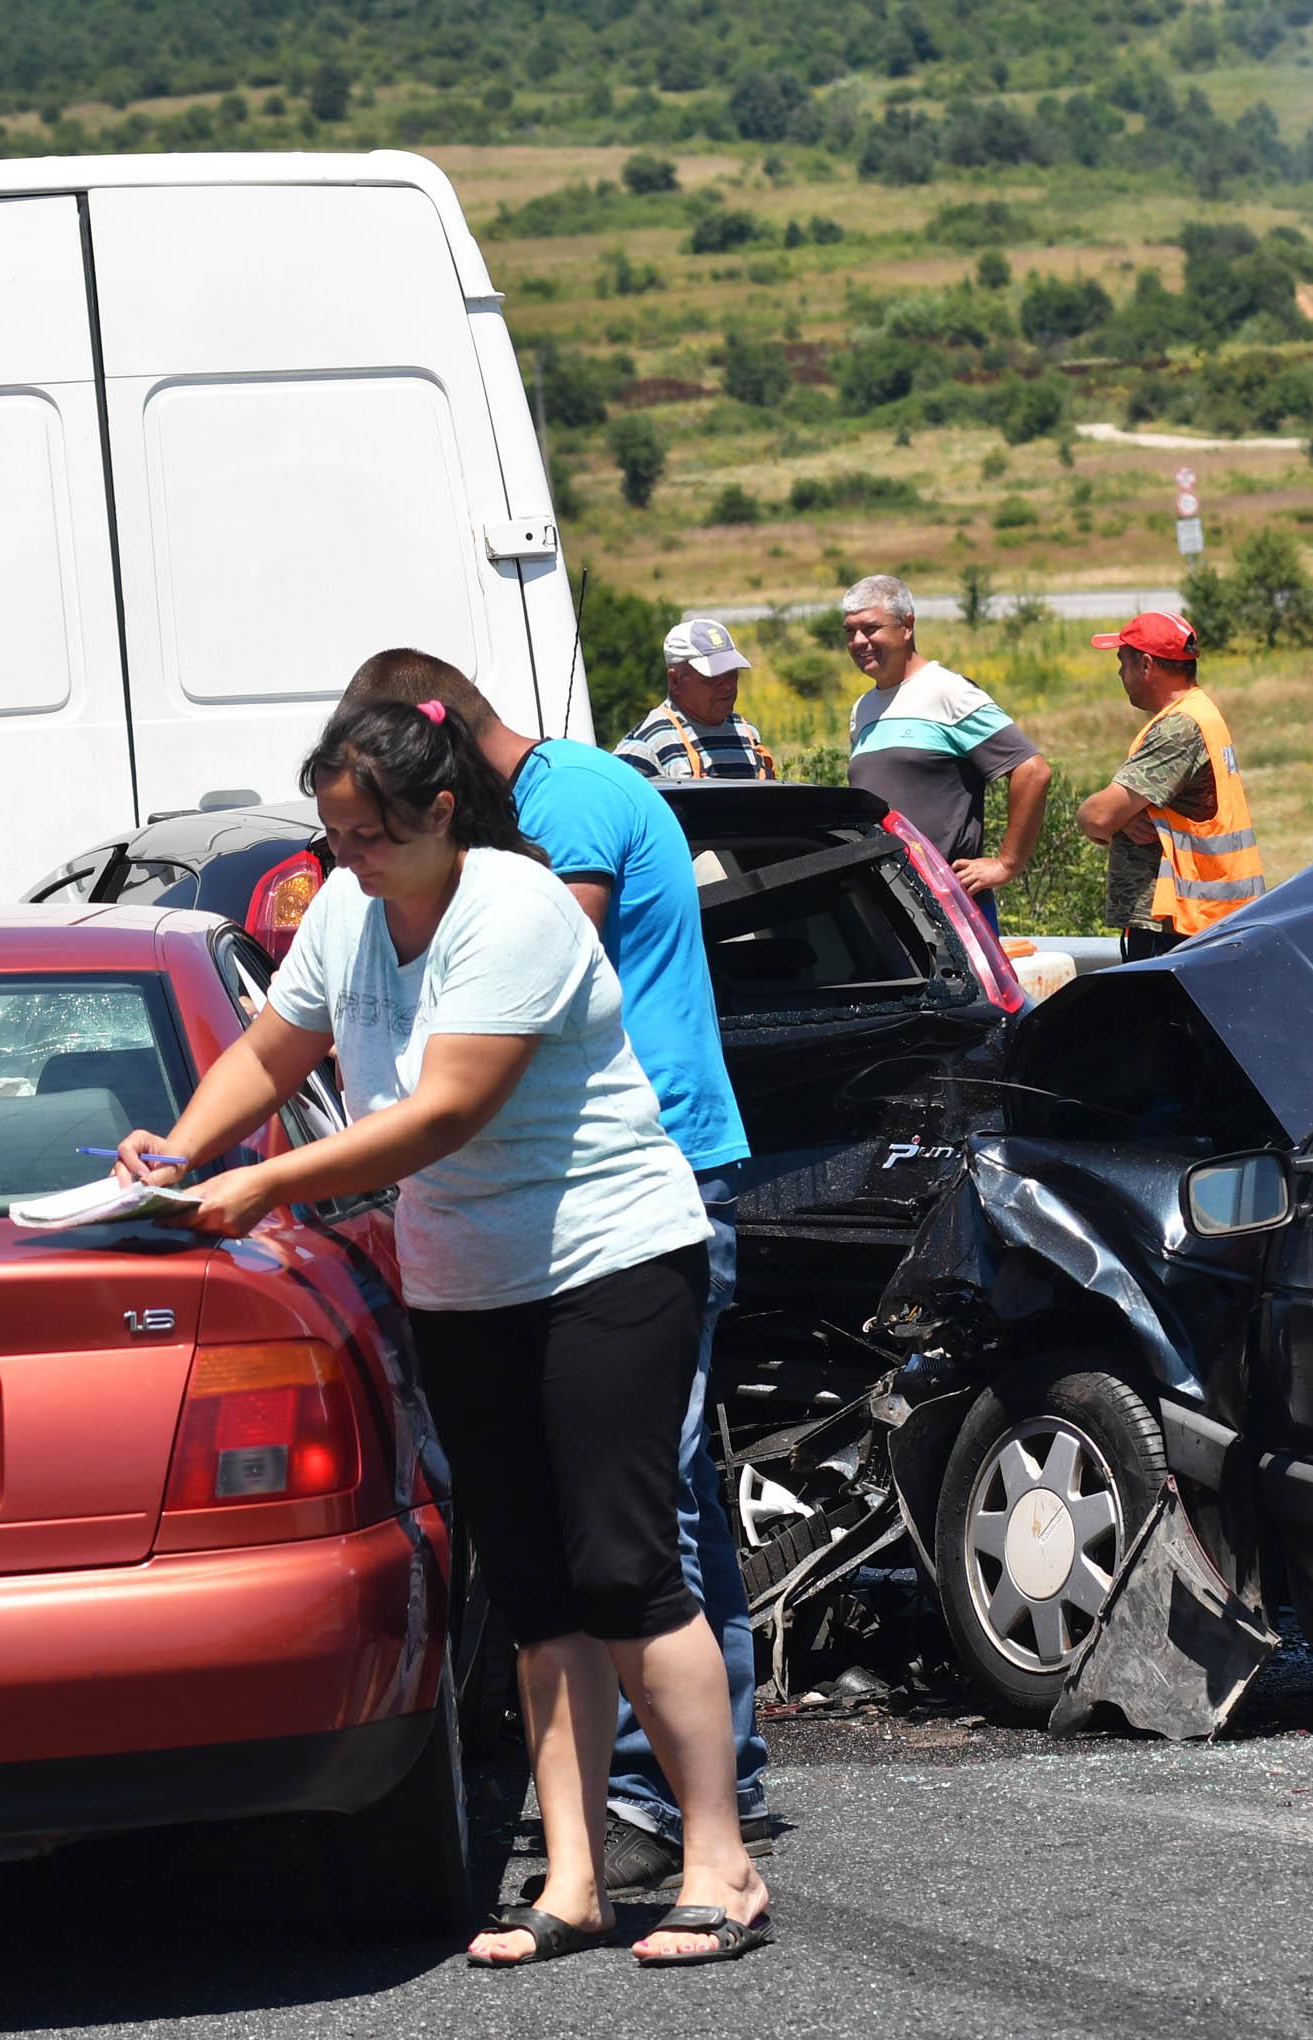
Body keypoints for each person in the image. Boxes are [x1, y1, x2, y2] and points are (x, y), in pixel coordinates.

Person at [116, 697, 769, 1966]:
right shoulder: (354, 913)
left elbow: (446, 1112)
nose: (342, 863)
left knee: (625, 1564)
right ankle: (571, 1882)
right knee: (530, 1586)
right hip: (466, 1279)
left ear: (441, 816)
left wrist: (265, 1183)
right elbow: (272, 1046)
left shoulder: (515, 909)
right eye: (330, 837)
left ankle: (718, 1864)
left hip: (607, 1261)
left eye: (365, 837)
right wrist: (184, 1146)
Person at [338, 651, 769, 1887]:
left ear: (446, 766)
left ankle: (669, 1809)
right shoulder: (581, 786)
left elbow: (502, 1014)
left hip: (625, 1193)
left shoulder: (553, 826)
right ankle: (682, 1788)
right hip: (591, 1200)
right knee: (641, 1527)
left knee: (633, 1544)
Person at [840, 573, 1050, 924]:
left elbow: (1032, 770)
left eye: (871, 628)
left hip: (951, 911)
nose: (860, 641)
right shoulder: (863, 709)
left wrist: (1006, 864)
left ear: (907, 626)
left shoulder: (948, 692)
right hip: (885, 904)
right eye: (850, 631)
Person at [1070, 609, 1264, 961]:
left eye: (1122, 662)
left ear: (1146, 665)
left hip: (1181, 930)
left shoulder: (1178, 729)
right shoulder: (1201, 711)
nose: (1119, 673)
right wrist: (1125, 818)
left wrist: (1111, 818)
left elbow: (1096, 817)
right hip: (1208, 921)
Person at [620, 618, 780, 781]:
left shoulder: (747, 734)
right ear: (675, 680)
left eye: (731, 674)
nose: (727, 686)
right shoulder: (647, 745)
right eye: (713, 677)